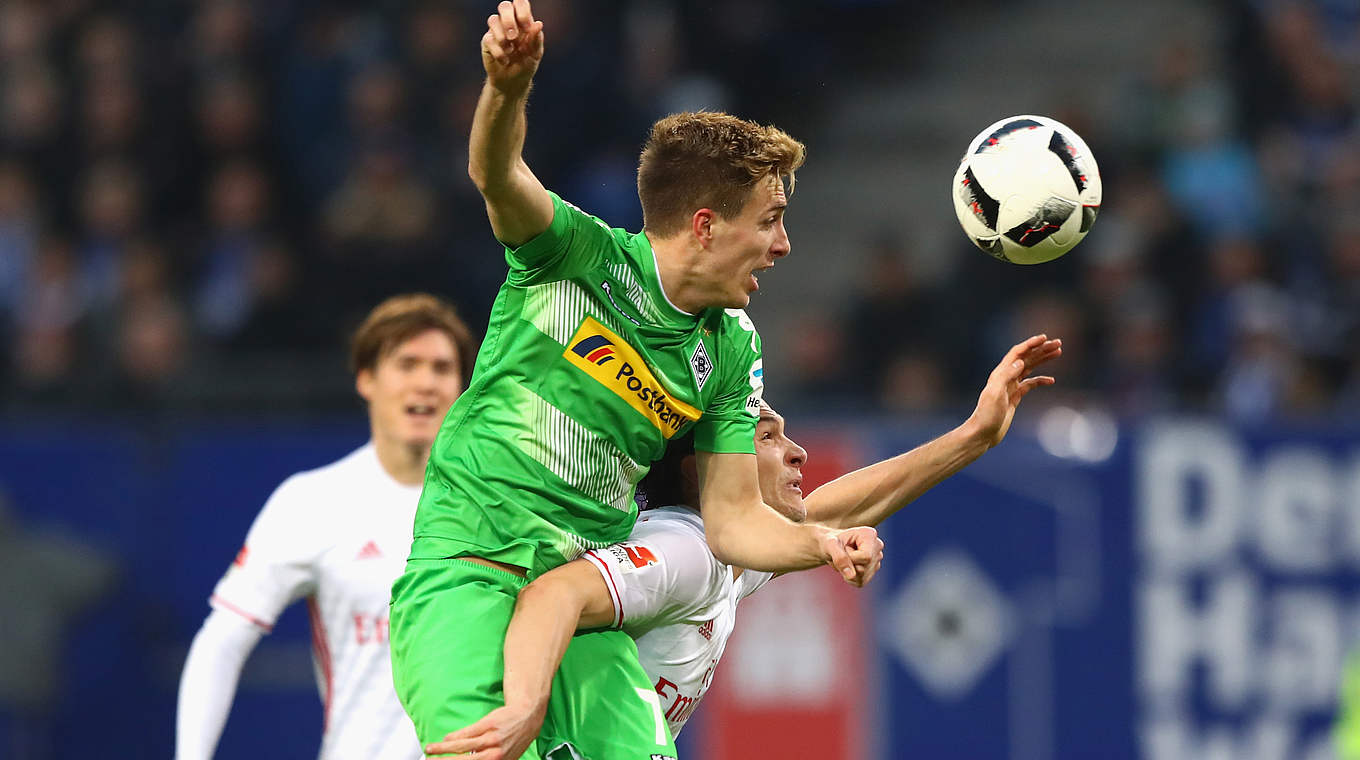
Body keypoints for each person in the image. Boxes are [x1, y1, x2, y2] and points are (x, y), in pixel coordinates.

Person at [388, 1, 883, 758]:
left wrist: (822, 541)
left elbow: (732, 523)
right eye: (770, 220)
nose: (784, 246)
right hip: (467, 575)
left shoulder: (729, 346)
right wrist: (506, 89)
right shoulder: (577, 258)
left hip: (581, 607)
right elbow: (495, 172)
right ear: (708, 225)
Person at [427, 335, 1063, 758]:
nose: (798, 452)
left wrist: (974, 437)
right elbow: (553, 590)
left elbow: (845, 503)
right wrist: (524, 708)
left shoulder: (729, 551)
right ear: (706, 469)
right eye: (766, 436)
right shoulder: (685, 551)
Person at [174, 293, 476, 760]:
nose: (425, 383)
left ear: (461, 386)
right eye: (407, 364)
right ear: (366, 379)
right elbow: (222, 639)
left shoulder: (501, 501)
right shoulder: (313, 501)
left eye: (441, 368)